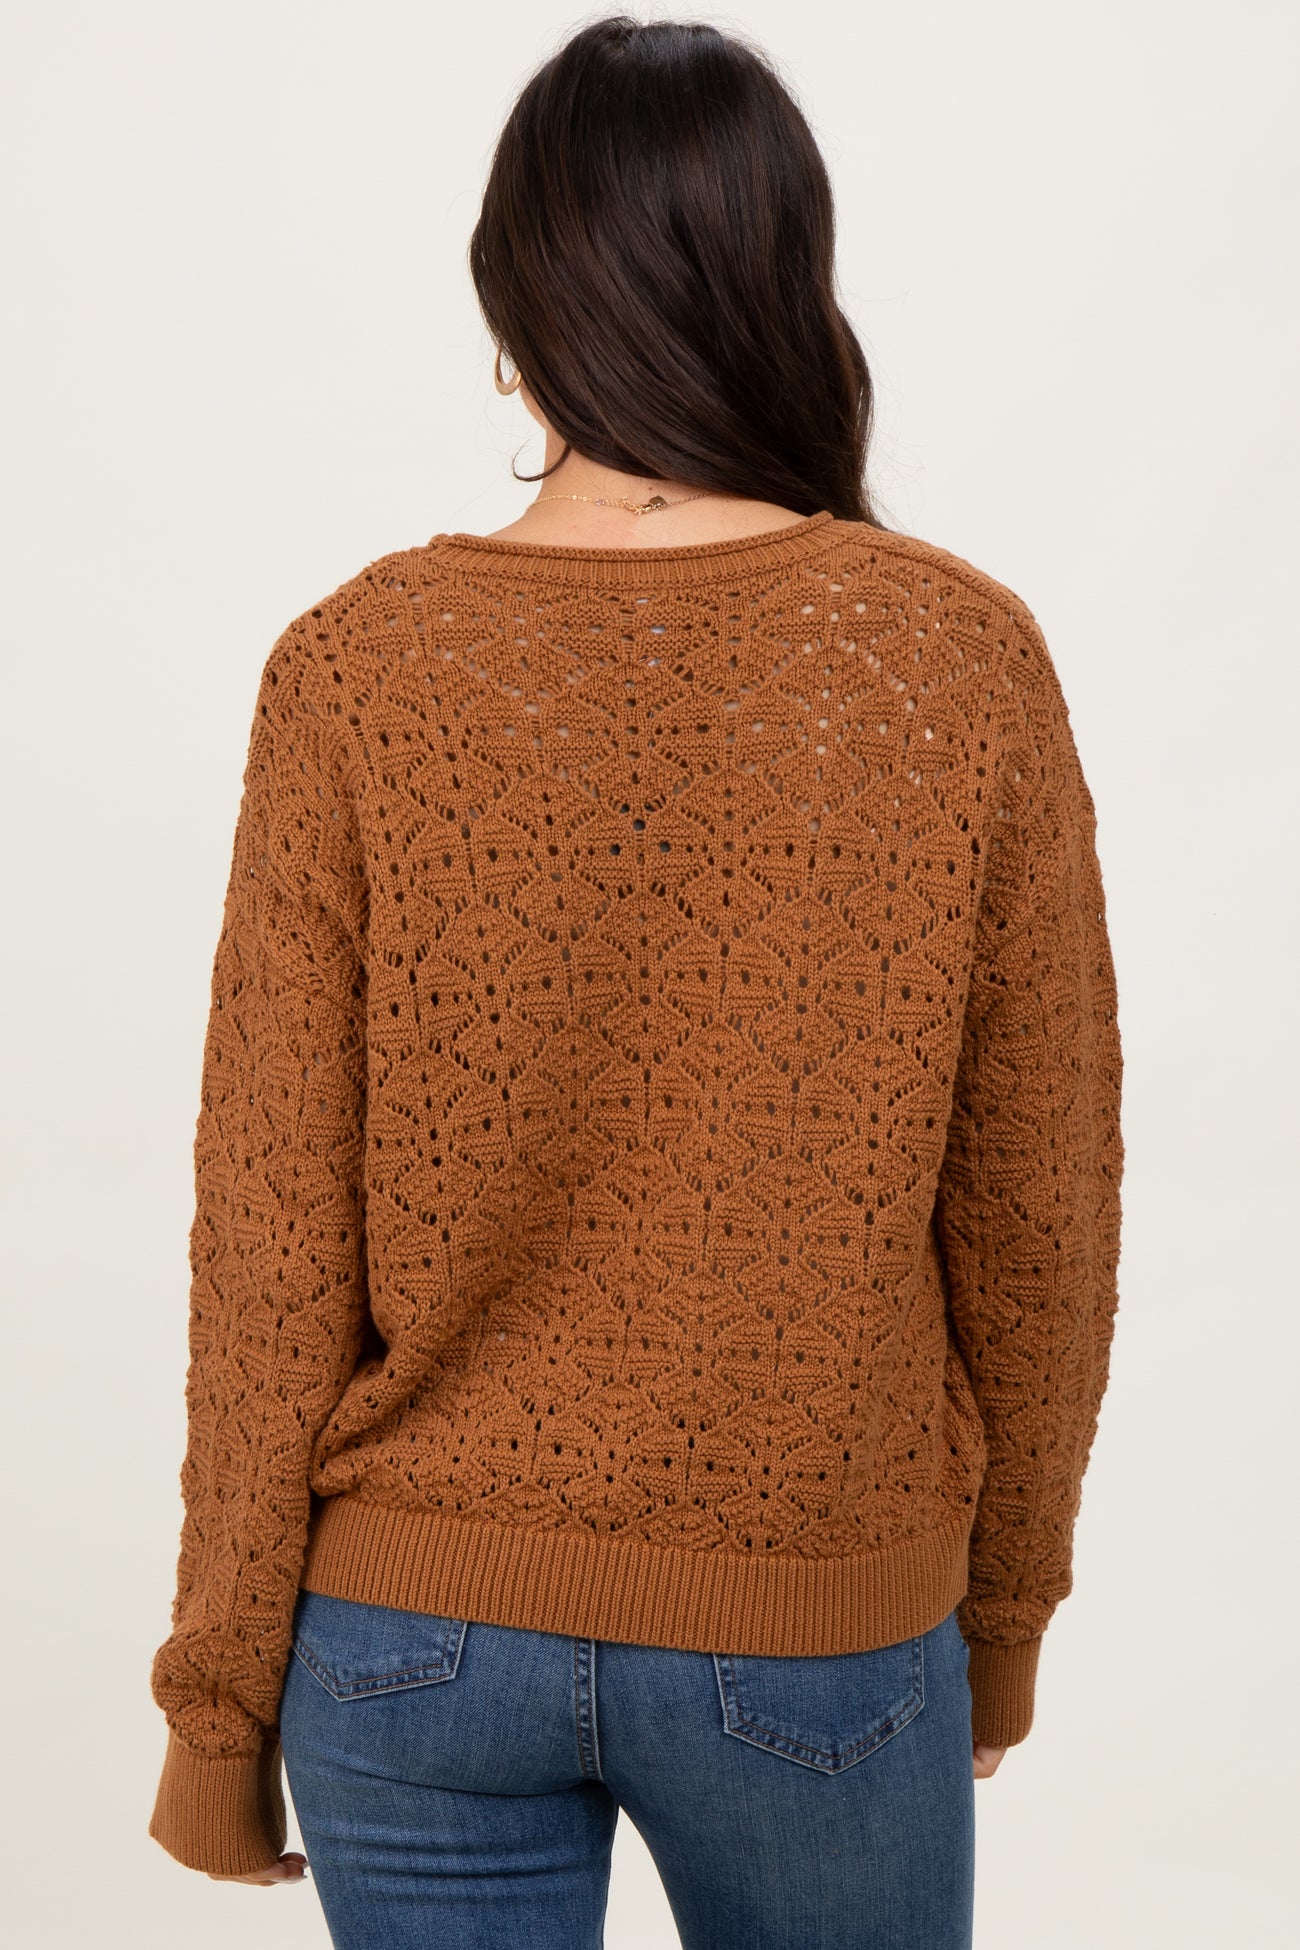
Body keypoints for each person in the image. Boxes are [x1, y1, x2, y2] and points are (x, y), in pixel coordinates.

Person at [147, 15, 1124, 1949]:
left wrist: (218, 1705)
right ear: (788, 288)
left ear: (517, 305)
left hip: (410, 1647)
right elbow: (1043, 1213)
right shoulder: (955, 663)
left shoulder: (355, 669)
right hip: (820, 1635)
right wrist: (1001, 1617)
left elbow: (268, 1240)